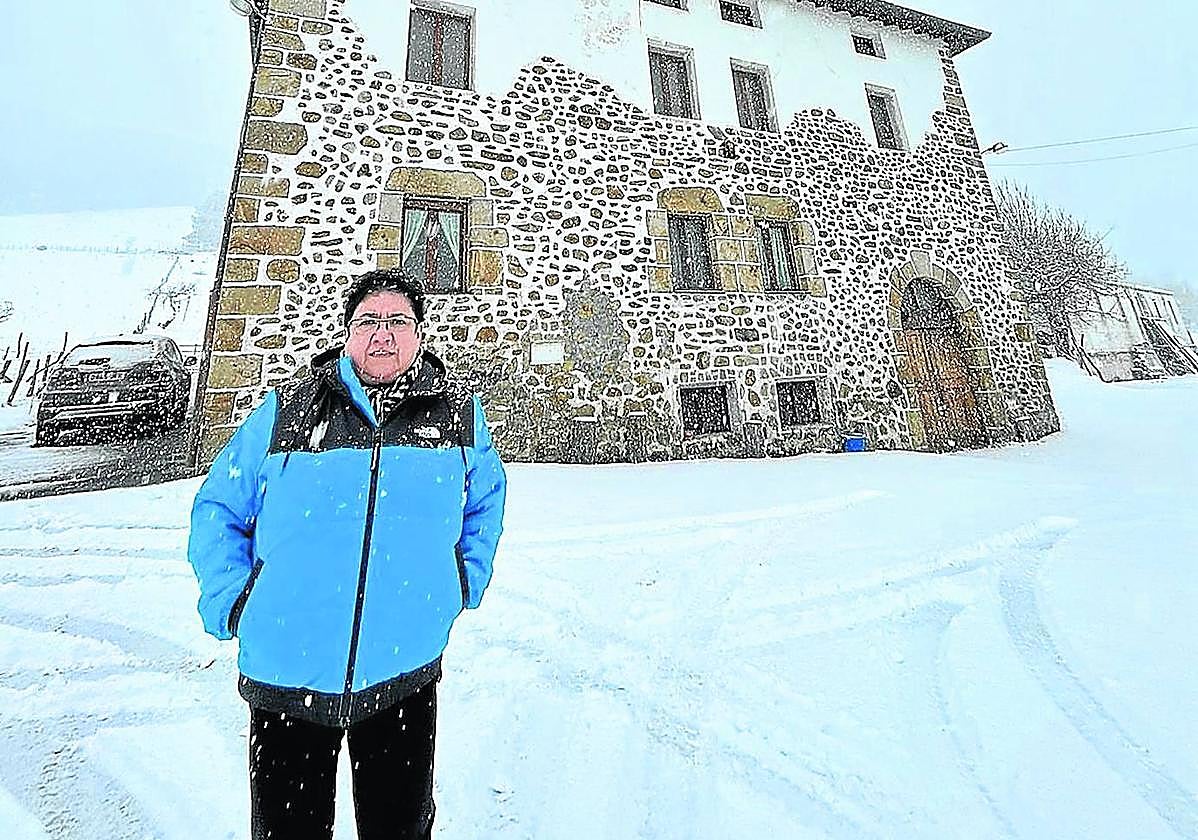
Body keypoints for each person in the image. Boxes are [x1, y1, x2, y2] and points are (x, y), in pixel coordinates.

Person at [187, 268, 506, 840]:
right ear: (347, 331)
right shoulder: (290, 409)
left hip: (402, 672)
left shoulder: (457, 417)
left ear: (420, 333)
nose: (382, 335)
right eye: (368, 322)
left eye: (398, 322)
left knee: (399, 829)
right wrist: (234, 600)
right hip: (287, 670)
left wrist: (462, 579)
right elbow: (219, 507)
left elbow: (484, 501)